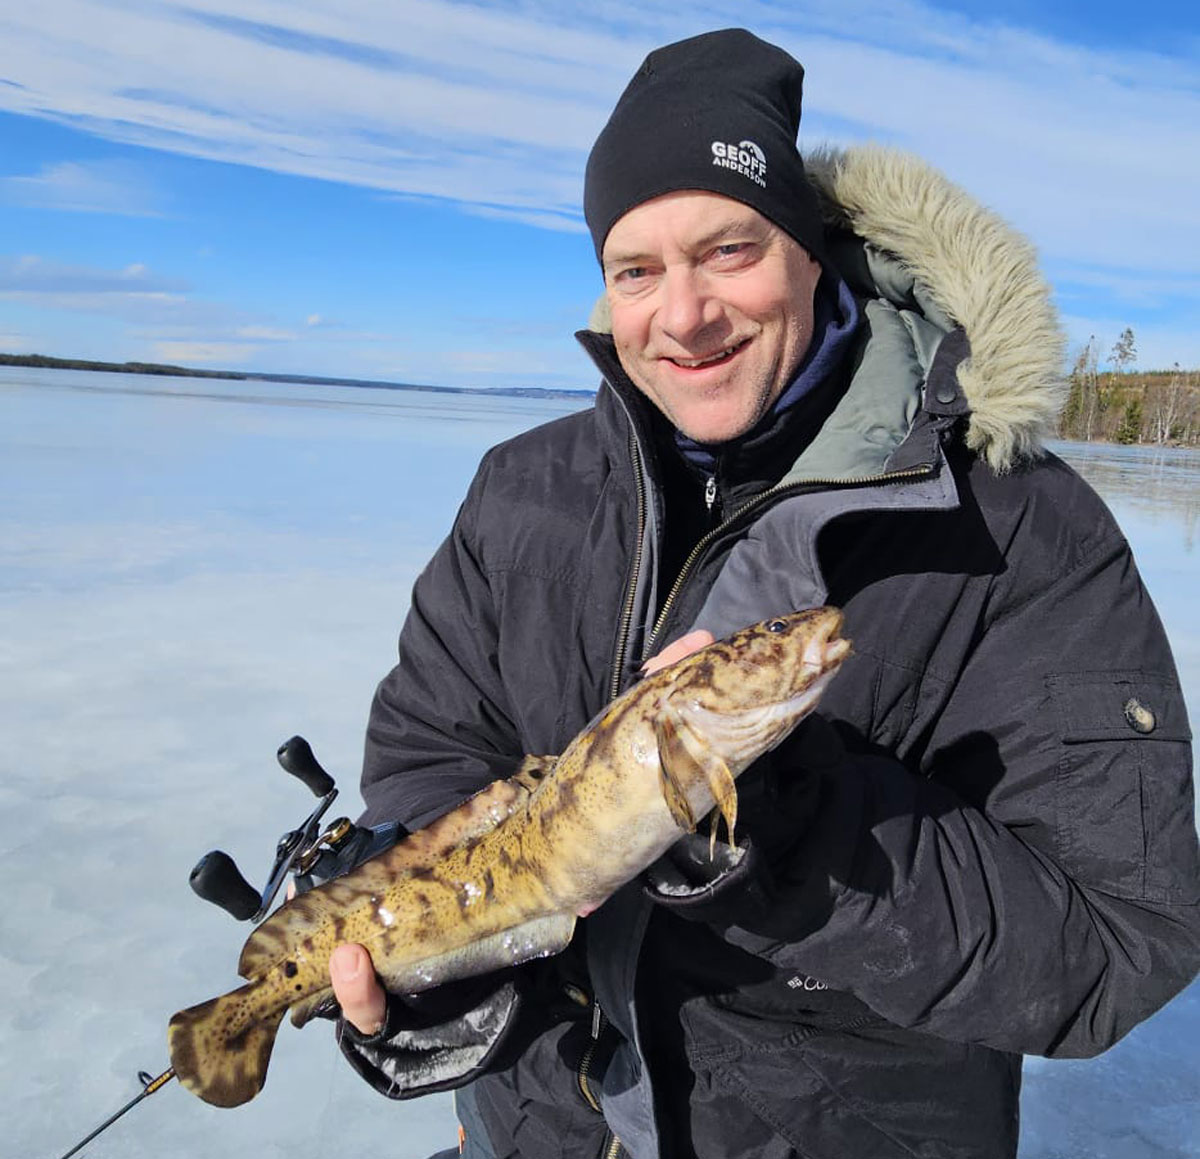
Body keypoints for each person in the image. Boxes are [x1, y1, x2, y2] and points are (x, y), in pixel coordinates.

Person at [325, 28, 1200, 1159]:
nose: (683, 315)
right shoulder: (523, 491)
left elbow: (1113, 943)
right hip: (534, 1132)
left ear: (811, 251)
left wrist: (798, 821)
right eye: (636, 269)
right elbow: (432, 752)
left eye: (730, 250)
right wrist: (452, 970)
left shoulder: (1018, 528)